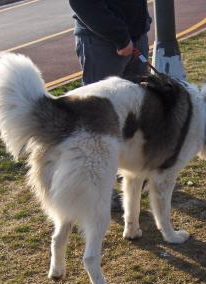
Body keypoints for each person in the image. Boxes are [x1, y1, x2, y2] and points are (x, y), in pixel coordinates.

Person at [69, 0, 151, 210]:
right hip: (102, 42)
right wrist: (121, 37)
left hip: (135, 37)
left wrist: (142, 23)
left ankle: (132, 176)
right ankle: (99, 188)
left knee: (136, 114)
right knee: (100, 122)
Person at [68, 0, 151, 85]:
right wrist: (122, 39)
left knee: (140, 93)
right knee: (102, 95)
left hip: (138, 38)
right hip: (103, 43)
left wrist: (144, 20)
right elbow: (82, 4)